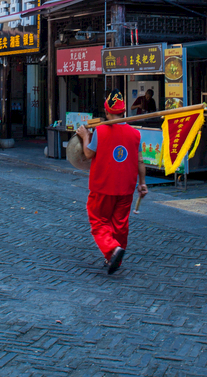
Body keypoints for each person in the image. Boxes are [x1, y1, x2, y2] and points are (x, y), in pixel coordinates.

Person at [76, 90, 148, 275]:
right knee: (120, 224)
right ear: (123, 112)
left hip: (103, 186)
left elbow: (89, 154)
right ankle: (115, 258)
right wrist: (142, 183)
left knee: (98, 221)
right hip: (126, 187)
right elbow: (140, 161)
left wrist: (85, 137)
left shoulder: (100, 131)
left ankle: (112, 250)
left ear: (107, 112)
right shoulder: (135, 134)